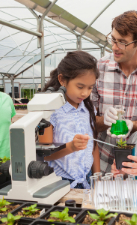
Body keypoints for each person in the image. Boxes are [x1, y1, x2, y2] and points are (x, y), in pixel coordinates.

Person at [91, 10, 137, 173]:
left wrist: (133, 125)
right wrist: (105, 120)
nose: (115, 47)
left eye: (122, 42)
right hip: (101, 164)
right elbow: (86, 119)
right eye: (113, 39)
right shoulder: (97, 70)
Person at [41, 51, 100, 189]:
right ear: (62, 80)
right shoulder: (50, 110)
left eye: (90, 87)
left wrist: (97, 178)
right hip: (59, 182)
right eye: (80, 87)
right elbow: (44, 155)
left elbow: (94, 146)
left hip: (86, 180)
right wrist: (71, 147)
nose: (85, 93)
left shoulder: (88, 109)